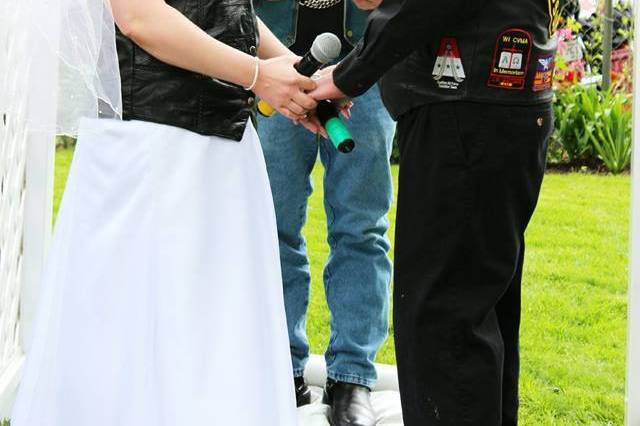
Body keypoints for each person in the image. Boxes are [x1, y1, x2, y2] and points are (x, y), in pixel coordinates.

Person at [11, 0, 319, 424]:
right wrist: (258, 75)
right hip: (152, 150)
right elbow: (140, 18)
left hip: (223, 148)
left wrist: (291, 71)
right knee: (135, 336)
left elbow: (229, 7)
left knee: (216, 331)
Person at [311, 0, 559, 424]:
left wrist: (347, 74)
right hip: (504, 101)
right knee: (478, 313)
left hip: (467, 108)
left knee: (445, 323)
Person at [254, 0, 395, 424]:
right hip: (275, 64)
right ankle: (284, 369)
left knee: (362, 228)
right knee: (273, 227)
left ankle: (352, 378)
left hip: (365, 69)